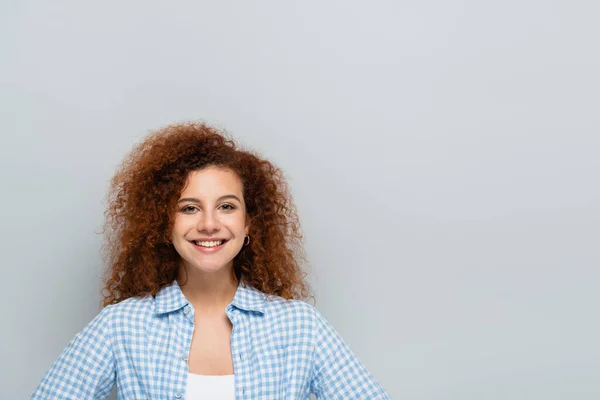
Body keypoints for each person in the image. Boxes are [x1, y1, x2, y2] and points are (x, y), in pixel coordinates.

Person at [31, 122, 390, 399]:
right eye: (189, 208)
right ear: (164, 223)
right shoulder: (121, 326)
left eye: (227, 206)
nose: (208, 224)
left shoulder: (300, 327)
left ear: (249, 222)